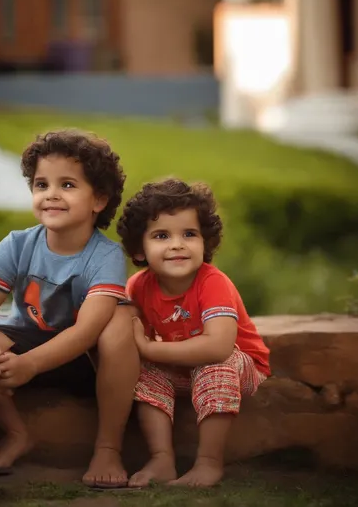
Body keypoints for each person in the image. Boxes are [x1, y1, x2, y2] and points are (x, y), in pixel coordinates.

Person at [0, 130, 139, 488]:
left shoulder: (105, 256)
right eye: (41, 184)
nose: (50, 194)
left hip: (87, 360)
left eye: (67, 185)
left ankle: (108, 447)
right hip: (29, 346)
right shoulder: (17, 245)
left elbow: (87, 331)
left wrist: (29, 365)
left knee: (119, 320)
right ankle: (15, 433)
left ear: (98, 199)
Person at [116, 178, 270, 488]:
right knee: (142, 371)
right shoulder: (139, 287)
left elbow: (219, 346)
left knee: (216, 367)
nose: (177, 244)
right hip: (181, 367)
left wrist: (151, 350)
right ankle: (162, 458)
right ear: (139, 249)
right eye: (161, 235)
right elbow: (133, 341)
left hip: (239, 366)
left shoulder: (212, 282)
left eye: (189, 234)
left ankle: (209, 463)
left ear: (205, 241)